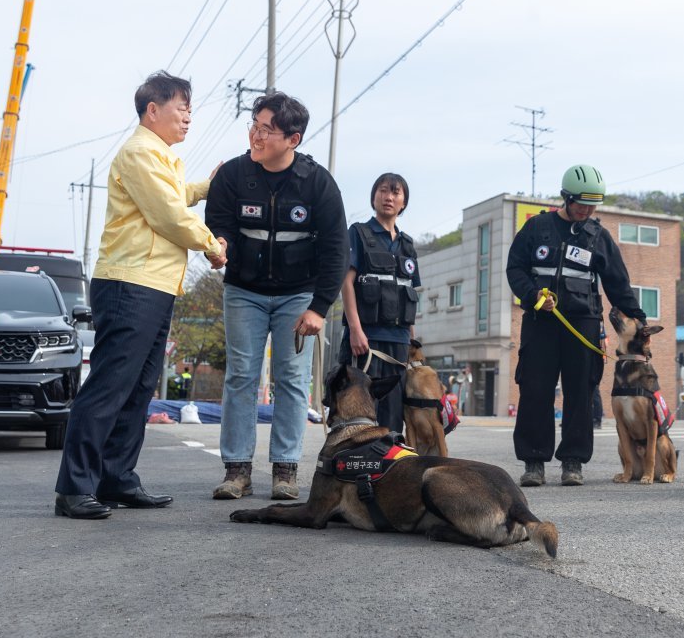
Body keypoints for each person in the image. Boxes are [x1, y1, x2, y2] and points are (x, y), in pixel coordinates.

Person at [54, 72, 227, 519]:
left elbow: (176, 196)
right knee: (110, 386)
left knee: (138, 389)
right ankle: (74, 488)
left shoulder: (161, 157)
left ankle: (116, 478)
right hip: (130, 283)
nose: (189, 118)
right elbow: (168, 214)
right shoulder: (139, 152)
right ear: (153, 110)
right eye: (181, 108)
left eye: (191, 109)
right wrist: (211, 244)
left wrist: (208, 186)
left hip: (154, 284)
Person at [205, 92, 349, 501]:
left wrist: (319, 307)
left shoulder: (317, 182)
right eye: (255, 125)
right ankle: (237, 471)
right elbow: (218, 221)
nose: (257, 134)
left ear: (293, 139)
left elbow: (336, 248)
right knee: (241, 377)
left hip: (297, 296)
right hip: (243, 292)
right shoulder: (233, 175)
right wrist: (219, 245)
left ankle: (285, 471)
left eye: (267, 129)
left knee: (292, 380)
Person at [507, 164, 646, 487]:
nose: (587, 210)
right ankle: (533, 462)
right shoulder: (536, 228)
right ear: (566, 198)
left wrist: (638, 316)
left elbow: (617, 283)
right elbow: (515, 269)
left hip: (583, 324)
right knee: (535, 390)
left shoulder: (598, 236)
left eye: (593, 205)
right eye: (581, 203)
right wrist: (533, 297)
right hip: (541, 321)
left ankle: (573, 462)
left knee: (581, 392)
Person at [339, 173, 420, 434]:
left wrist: (412, 343)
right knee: (361, 405)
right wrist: (355, 329)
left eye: (396, 193)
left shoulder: (407, 245)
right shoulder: (358, 233)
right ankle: (359, 464)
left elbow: (409, 293)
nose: (389, 197)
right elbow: (346, 282)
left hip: (398, 341)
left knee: (394, 409)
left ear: (404, 202)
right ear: (374, 197)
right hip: (366, 338)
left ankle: (391, 467)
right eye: (383, 191)